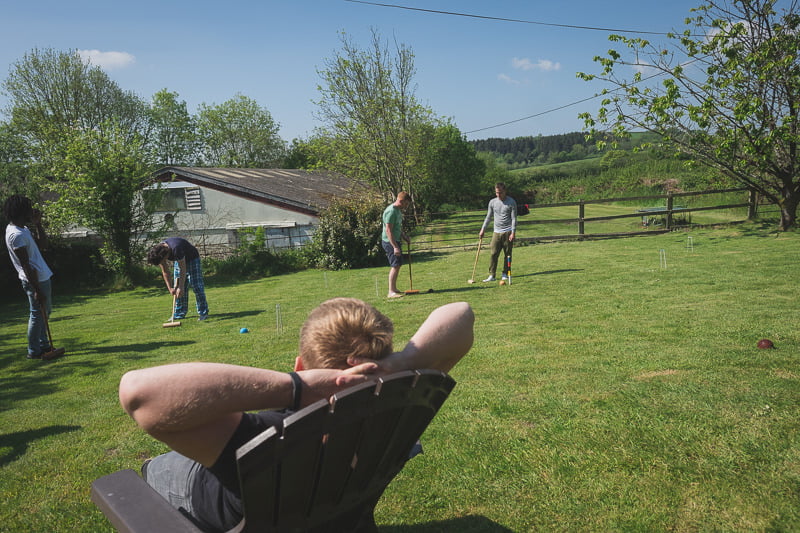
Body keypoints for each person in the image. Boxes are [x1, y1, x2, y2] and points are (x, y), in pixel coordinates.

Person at [119, 299, 474, 532]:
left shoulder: (267, 437)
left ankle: (152, 467)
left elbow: (139, 393)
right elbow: (461, 314)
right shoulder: (396, 411)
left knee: (158, 468)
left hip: (200, 487)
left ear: (301, 366)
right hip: (338, 489)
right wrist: (398, 366)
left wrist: (295, 387)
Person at [4, 195, 57, 360]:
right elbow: (25, 264)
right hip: (34, 279)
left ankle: (43, 344)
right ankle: (34, 350)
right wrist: (36, 289)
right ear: (21, 211)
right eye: (28, 207)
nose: (31, 209)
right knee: (37, 313)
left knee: (43, 312)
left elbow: (43, 245)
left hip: (41, 276)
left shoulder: (23, 229)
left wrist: (38, 224)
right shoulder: (15, 235)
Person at [147, 237, 209, 321]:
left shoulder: (176, 248)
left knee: (197, 286)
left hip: (192, 259)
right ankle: (179, 313)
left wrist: (181, 286)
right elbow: (165, 271)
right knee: (177, 290)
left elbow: (182, 269)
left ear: (165, 255)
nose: (163, 262)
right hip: (179, 261)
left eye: (163, 261)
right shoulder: (158, 252)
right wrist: (170, 288)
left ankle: (203, 312)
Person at [479, 183, 517, 282]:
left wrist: (513, 232)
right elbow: (488, 217)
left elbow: (513, 218)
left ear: (505, 191)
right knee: (493, 253)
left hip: (508, 231)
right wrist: (483, 229)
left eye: (500, 192)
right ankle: (492, 275)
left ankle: (505, 273)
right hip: (496, 232)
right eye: (496, 193)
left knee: (507, 254)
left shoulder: (511, 202)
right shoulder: (492, 202)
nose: (498, 195)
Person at [381, 191, 412, 298]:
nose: (406, 206)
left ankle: (394, 289)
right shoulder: (391, 211)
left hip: (396, 240)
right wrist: (395, 247)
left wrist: (404, 237)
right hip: (389, 242)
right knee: (395, 265)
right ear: (401, 201)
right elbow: (388, 230)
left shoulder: (398, 211)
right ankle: (390, 292)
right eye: (406, 204)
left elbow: (397, 227)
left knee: (397, 264)